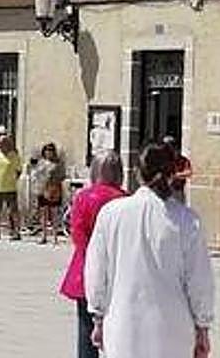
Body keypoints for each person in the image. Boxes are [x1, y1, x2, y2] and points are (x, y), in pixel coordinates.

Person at [85, 143, 215, 358]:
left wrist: (97, 316)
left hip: (122, 326)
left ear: (137, 173)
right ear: (172, 174)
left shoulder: (111, 214)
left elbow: (97, 271)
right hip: (173, 330)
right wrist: (203, 326)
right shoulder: (186, 220)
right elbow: (200, 280)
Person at [60, 151, 128, 358]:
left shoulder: (83, 197)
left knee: (86, 331)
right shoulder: (125, 199)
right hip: (119, 272)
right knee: (119, 331)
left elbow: (78, 235)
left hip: (86, 270)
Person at [0, 133, 23, 241]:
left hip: (10, 187)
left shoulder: (14, 155)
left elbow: (19, 170)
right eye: (1, 143)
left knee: (13, 211)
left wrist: (13, 180)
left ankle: (16, 232)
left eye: (5, 143)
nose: (2, 145)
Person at [32, 143, 68, 245]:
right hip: (42, 189)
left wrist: (54, 178)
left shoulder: (58, 164)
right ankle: (43, 236)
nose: (49, 152)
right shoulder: (41, 163)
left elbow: (63, 176)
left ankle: (55, 237)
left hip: (54, 190)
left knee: (54, 213)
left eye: (51, 150)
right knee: (43, 213)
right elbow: (36, 175)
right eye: (47, 150)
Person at [163, 135, 192, 202]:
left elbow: (189, 172)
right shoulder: (164, 159)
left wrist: (176, 175)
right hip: (164, 191)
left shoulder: (182, 160)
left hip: (176, 191)